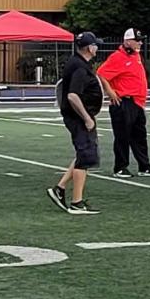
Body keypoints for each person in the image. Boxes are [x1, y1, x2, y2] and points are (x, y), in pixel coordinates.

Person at [48, 32, 104, 215]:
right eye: (95, 45)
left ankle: (60, 188)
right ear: (89, 48)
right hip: (79, 117)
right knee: (86, 156)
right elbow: (73, 95)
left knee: (84, 153)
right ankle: (76, 202)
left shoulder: (77, 62)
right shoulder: (80, 67)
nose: (97, 47)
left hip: (78, 116)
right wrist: (87, 118)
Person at [97, 28, 150, 178]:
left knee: (140, 135)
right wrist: (110, 92)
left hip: (137, 102)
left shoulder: (135, 55)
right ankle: (120, 167)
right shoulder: (117, 57)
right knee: (122, 136)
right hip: (124, 101)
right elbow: (101, 73)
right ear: (127, 41)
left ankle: (144, 166)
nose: (140, 43)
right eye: (137, 40)